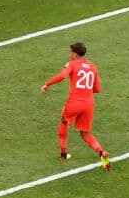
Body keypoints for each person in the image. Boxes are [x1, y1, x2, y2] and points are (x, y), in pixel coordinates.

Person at [41, 42, 111, 170]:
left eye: (70, 52)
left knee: (63, 122)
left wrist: (47, 84)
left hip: (75, 102)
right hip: (89, 103)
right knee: (85, 133)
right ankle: (101, 152)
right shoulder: (93, 66)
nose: (69, 54)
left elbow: (62, 75)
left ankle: (63, 154)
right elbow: (98, 89)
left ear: (75, 53)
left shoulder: (72, 64)